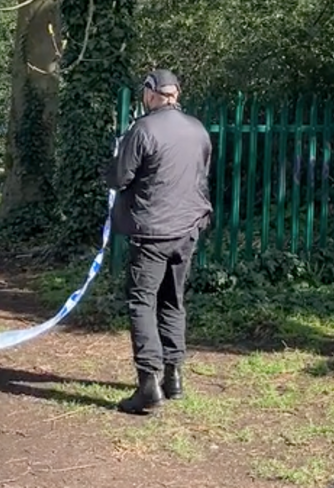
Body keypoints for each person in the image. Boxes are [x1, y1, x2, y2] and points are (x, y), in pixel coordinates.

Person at [105, 68, 213, 415]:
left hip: (152, 231)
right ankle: (174, 377)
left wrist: (108, 168)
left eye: (145, 93)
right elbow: (201, 173)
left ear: (152, 94)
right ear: (176, 95)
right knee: (173, 300)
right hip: (187, 230)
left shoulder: (143, 129)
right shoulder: (198, 129)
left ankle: (148, 384)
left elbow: (121, 177)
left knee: (142, 303)